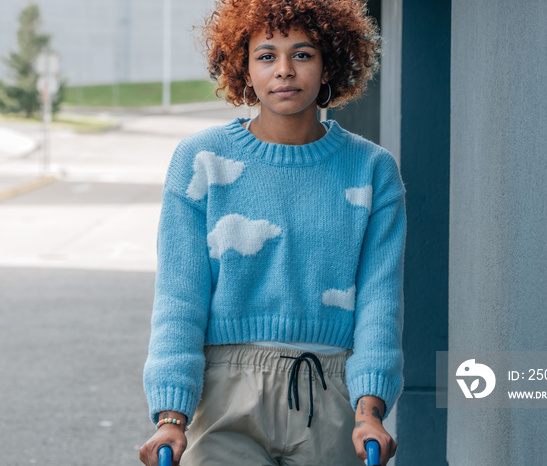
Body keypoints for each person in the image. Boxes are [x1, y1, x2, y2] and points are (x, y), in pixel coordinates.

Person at [139, 0, 406, 464]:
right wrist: (171, 415)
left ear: (329, 67)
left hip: (331, 390)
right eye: (266, 56)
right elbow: (179, 297)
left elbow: (380, 303)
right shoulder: (201, 159)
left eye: (302, 54)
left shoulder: (372, 169)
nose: (284, 70)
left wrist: (369, 409)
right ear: (243, 69)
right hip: (225, 391)